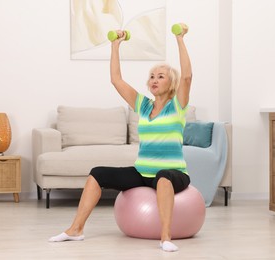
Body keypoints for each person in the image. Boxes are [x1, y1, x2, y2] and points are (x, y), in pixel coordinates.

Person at [49, 25, 192, 252]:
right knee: (97, 173)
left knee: (164, 177)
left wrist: (180, 39)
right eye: (152, 76)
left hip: (173, 174)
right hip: (142, 172)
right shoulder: (143, 105)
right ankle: (76, 229)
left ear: (170, 83)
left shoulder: (178, 106)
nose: (154, 80)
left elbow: (187, 76)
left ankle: (165, 236)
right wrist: (115, 45)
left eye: (161, 76)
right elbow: (116, 80)